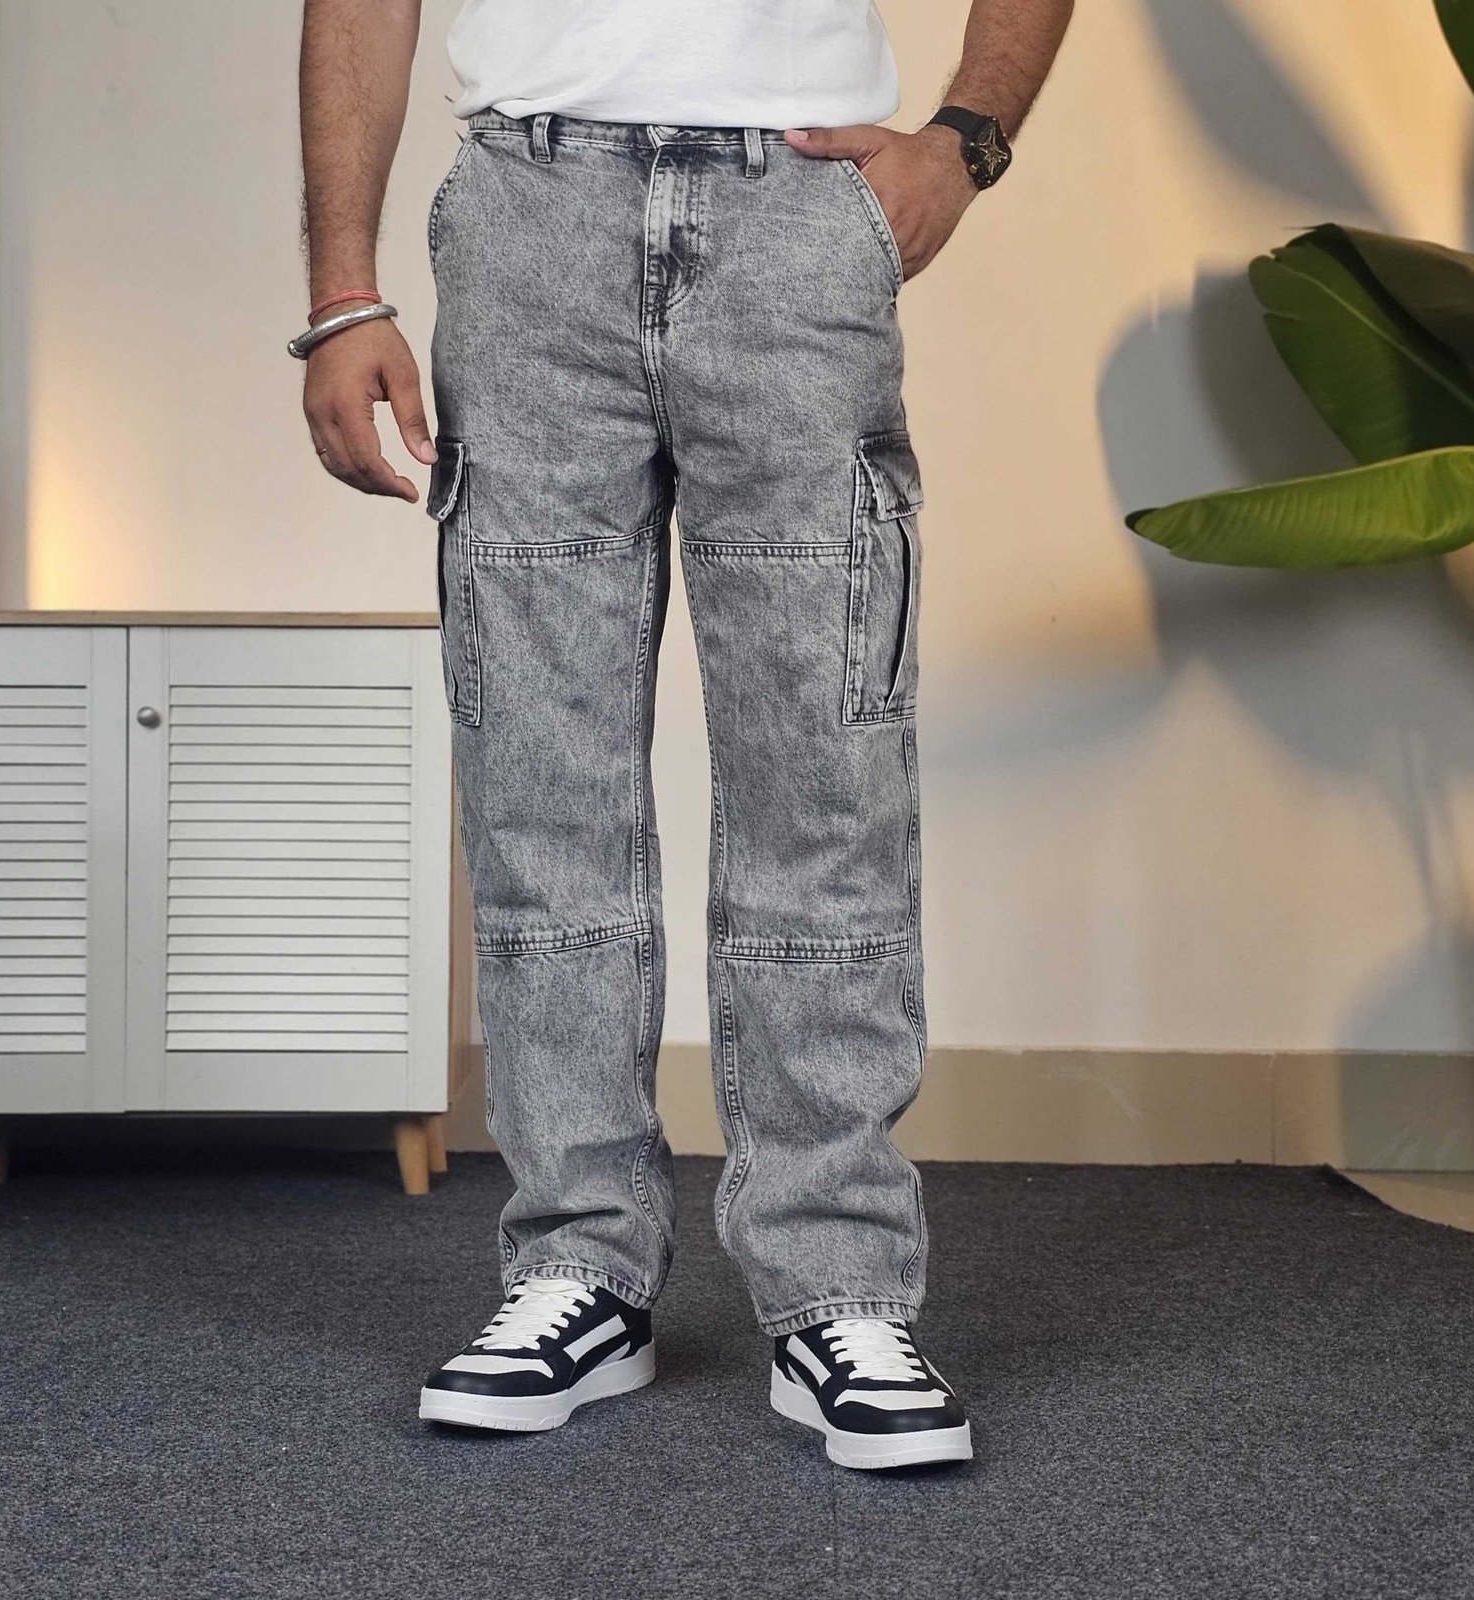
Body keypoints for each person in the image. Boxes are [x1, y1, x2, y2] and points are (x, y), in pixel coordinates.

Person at [297, 0, 1071, 1471]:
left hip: (800, 209)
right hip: (529, 215)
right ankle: (577, 1267)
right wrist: (343, 293)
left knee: (825, 777)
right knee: (541, 783)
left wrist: (965, 141)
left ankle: (840, 1285)